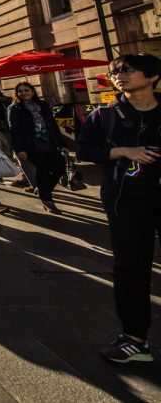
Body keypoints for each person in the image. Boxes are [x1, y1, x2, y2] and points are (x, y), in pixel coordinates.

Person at [77, 53, 161, 364]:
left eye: (127, 71)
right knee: (130, 269)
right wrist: (123, 150)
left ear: (152, 76)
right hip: (126, 200)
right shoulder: (105, 115)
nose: (119, 76)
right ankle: (135, 339)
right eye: (115, 72)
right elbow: (84, 149)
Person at [8, 82, 66, 213]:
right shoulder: (15, 108)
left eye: (26, 90)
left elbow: (53, 125)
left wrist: (63, 144)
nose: (23, 93)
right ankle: (47, 201)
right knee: (43, 172)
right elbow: (14, 130)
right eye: (20, 91)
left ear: (33, 91)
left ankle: (42, 190)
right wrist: (19, 149)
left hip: (49, 143)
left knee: (59, 168)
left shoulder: (43, 105)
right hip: (31, 145)